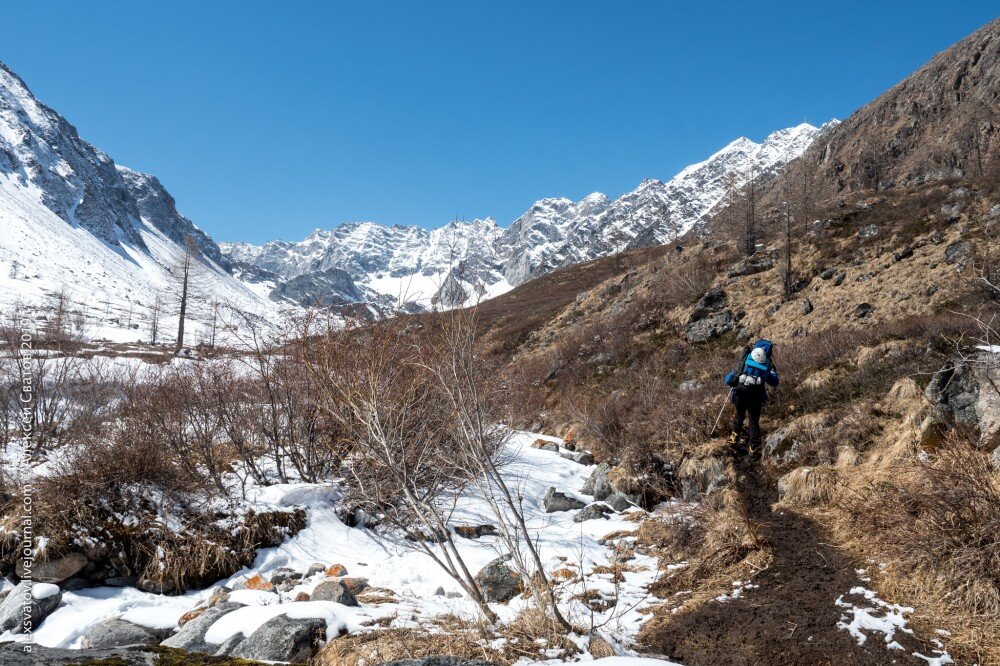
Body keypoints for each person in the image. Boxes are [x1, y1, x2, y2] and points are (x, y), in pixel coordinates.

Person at [724, 339, 779, 457]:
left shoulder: (744, 361)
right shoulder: (766, 367)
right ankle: (753, 448)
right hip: (755, 398)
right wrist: (773, 371)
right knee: (753, 421)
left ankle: (734, 439)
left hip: (740, 395)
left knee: (739, 415)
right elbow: (774, 382)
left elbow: (729, 380)